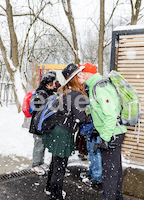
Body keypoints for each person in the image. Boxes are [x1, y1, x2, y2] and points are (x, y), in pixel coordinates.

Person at [81, 62, 127, 200]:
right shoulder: (97, 86)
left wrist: (105, 138)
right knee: (115, 170)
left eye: (82, 73)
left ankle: (110, 197)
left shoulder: (99, 87)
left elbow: (111, 115)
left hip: (112, 134)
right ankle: (117, 197)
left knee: (109, 174)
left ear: (89, 73)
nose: (81, 75)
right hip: (114, 132)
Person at [43, 63, 87, 200]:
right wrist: (87, 112)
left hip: (56, 129)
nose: (83, 76)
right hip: (63, 132)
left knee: (55, 162)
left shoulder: (64, 90)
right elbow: (80, 118)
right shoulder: (76, 94)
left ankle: (49, 188)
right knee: (60, 166)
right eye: (79, 74)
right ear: (73, 78)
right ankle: (56, 196)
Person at [29, 73, 56, 175]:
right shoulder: (41, 93)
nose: (54, 85)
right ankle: (35, 164)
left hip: (43, 124)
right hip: (38, 124)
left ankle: (40, 162)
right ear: (47, 84)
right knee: (38, 145)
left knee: (43, 144)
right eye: (52, 83)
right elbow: (40, 108)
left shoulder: (48, 92)